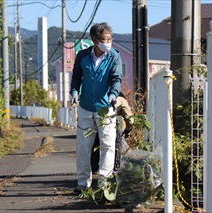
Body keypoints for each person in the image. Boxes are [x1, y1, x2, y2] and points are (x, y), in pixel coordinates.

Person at [70, 22, 122, 193]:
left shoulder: (114, 56)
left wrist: (114, 94)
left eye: (110, 39)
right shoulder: (82, 56)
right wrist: (75, 92)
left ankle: (104, 185)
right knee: (83, 146)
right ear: (94, 40)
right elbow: (76, 77)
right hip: (85, 107)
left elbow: (116, 78)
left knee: (107, 145)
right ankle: (83, 183)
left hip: (106, 108)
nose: (108, 42)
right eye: (104, 39)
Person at [91, 92, 134, 173]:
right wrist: (128, 129)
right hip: (110, 122)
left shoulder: (97, 95)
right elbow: (130, 120)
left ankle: (94, 166)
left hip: (96, 121)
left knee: (95, 142)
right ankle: (115, 166)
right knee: (116, 140)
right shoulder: (121, 99)